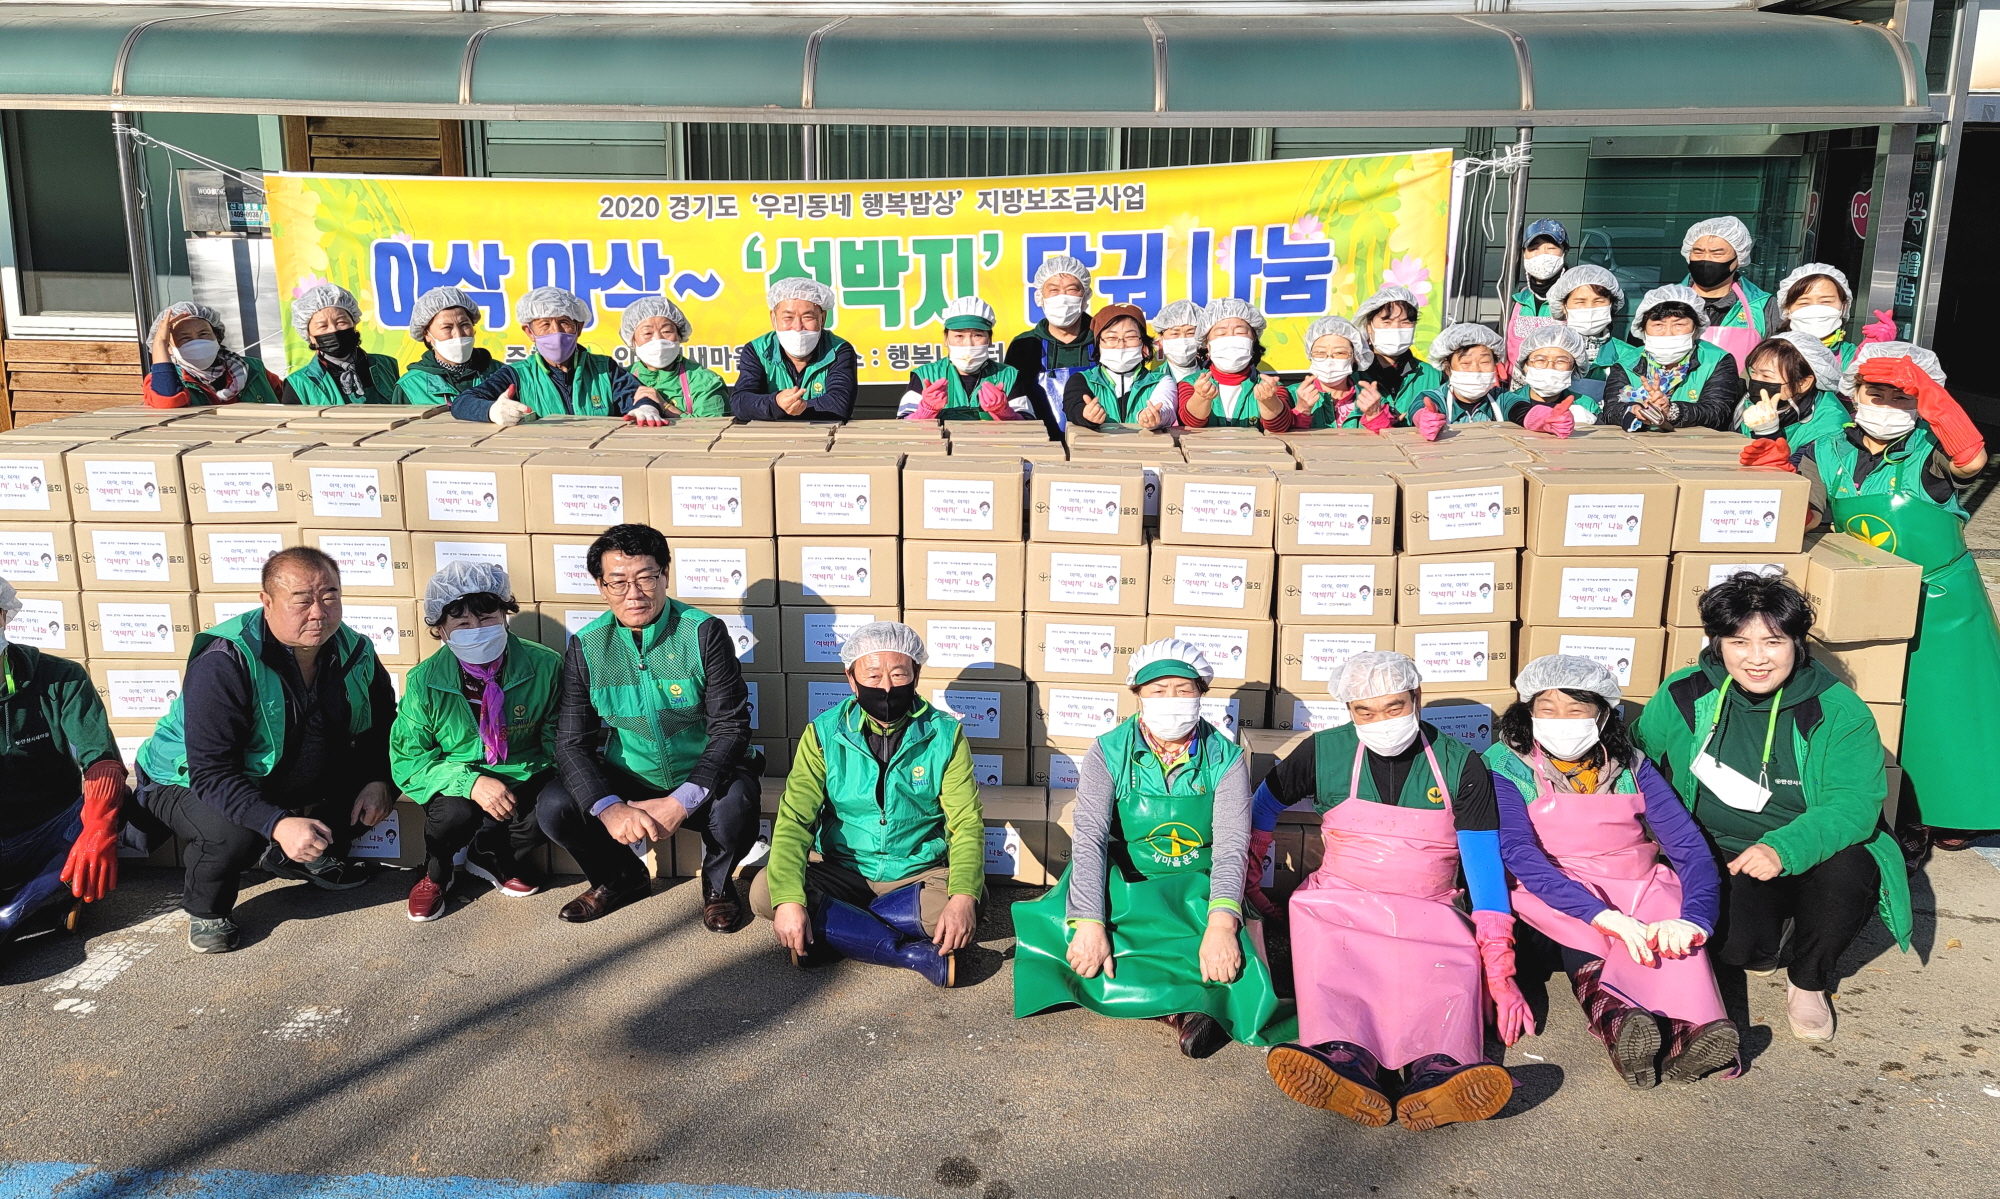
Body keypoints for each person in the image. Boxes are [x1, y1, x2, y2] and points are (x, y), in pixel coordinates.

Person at [1636, 573, 1910, 1042]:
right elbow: (1638, 755)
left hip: (1809, 846)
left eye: (1773, 641)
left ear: (1797, 644)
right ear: (1717, 643)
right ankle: (1766, 938)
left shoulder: (1838, 711)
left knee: (1850, 871)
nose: (1756, 658)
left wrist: (1781, 849)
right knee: (1735, 951)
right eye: (1739, 641)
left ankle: (1809, 980)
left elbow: (1852, 805)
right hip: (1720, 852)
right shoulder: (1684, 692)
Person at [1263, 651, 1526, 1130]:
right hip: (1339, 899)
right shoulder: (1321, 752)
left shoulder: (1460, 764)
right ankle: (1345, 1059)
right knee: (1332, 953)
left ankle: (1439, 1070)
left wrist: (1499, 965)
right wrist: (1250, 885)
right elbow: (1262, 807)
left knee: (1446, 964)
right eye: (1365, 711)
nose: (1381, 721)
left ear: (1417, 698)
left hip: (1430, 905)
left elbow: (1483, 864)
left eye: (1394, 707)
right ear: (1348, 711)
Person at [1013, 640, 1283, 1058]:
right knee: (1086, 945)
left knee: (1231, 954)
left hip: (1197, 882)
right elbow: (1089, 838)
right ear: (1137, 695)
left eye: (1183, 689)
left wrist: (1222, 925)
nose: (1171, 701)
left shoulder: (1226, 760)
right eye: (1158, 691)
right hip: (1128, 878)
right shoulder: (1107, 752)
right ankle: (1189, 1009)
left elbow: (1231, 847)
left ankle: (1186, 1007)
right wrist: (1088, 921)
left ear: (1201, 695)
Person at [1784, 344, 1997, 850]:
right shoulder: (1826, 448)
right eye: (1872, 393)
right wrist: (1778, 483)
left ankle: (1954, 809)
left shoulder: (1930, 448)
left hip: (1943, 599)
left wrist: (1935, 404)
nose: (1883, 405)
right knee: (1873, 703)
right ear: (1853, 394)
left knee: (1948, 707)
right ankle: (1886, 804)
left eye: (1899, 397)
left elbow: (1972, 461)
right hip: (1866, 593)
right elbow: (1811, 510)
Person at [1490, 655, 1736, 1088]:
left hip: (1636, 880)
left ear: (1602, 715)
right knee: (1585, 935)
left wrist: (1695, 917)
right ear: (1527, 712)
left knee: (1669, 929)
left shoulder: (1632, 766)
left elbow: (1689, 848)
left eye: (1576, 710)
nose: (1561, 721)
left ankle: (1691, 1034)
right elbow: (1518, 852)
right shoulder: (1505, 766)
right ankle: (1621, 1026)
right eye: (1547, 709)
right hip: (1551, 887)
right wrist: (1599, 914)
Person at [135, 547, 397, 954]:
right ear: (267, 602)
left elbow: (382, 723)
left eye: (330, 596)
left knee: (389, 772)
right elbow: (211, 774)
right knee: (236, 833)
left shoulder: (355, 650)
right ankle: (208, 908)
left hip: (281, 768)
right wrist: (276, 823)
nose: (319, 612)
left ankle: (296, 858)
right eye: (302, 600)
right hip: (187, 779)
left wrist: (380, 777)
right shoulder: (225, 660)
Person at [541, 523, 759, 927]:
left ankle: (718, 886)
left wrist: (682, 801)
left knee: (739, 801)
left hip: (699, 776)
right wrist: (609, 809)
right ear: (600, 586)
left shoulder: (703, 632)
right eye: (619, 582)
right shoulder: (585, 646)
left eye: (646, 578)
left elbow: (731, 728)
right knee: (555, 805)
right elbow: (571, 742)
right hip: (630, 776)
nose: (634, 594)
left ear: (665, 575)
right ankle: (620, 877)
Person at [751, 622, 983, 985]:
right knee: (768, 892)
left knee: (965, 903)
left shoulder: (945, 734)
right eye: (873, 675)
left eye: (898, 673)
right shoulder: (824, 734)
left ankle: (840, 930)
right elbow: (795, 821)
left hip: (917, 874)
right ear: (851, 678)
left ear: (916, 674)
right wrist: (791, 902)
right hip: (842, 870)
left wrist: (964, 897)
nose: (887, 687)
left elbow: (966, 823)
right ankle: (906, 953)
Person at [389, 562, 561, 922]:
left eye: (486, 619)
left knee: (564, 805)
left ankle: (491, 852)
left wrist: (545, 781)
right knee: (453, 813)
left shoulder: (545, 666)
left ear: (505, 615)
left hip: (524, 772)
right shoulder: (424, 681)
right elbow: (409, 761)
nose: (477, 631)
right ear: (441, 631)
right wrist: (471, 783)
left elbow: (559, 741)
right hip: (456, 780)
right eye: (463, 625)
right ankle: (436, 872)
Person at [0, 578, 135, 946]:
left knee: (112, 806)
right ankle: (44, 900)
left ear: (3, 617)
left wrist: (98, 829)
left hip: (51, 827)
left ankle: (18, 909)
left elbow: (102, 763)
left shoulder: (60, 678)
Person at [451, 287, 658, 424]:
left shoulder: (605, 369)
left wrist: (644, 407)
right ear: (529, 332)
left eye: (564, 323)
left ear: (578, 328)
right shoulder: (517, 375)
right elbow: (463, 403)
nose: (556, 332)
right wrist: (492, 411)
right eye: (545, 325)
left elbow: (635, 396)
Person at [1601, 285, 1741, 431]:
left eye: (1679, 324)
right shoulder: (1626, 363)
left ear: (1696, 328)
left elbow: (1717, 412)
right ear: (1643, 329)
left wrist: (1672, 410)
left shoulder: (1716, 360)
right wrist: (1634, 411)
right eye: (1658, 325)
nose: (1668, 333)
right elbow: (1611, 410)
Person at [730, 277, 857, 423]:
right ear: (773, 318)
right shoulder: (757, 350)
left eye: (807, 317)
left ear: (822, 318)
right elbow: (740, 402)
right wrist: (777, 403)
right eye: (788, 317)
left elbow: (840, 404)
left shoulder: (839, 351)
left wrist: (796, 407)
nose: (798, 327)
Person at [1001, 255, 1095, 437]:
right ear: (1040, 296)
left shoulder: (1103, 339)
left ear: (1085, 296)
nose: (1063, 297)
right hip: (1039, 445)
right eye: (1054, 290)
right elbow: (1014, 400)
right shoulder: (1024, 345)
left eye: (1071, 290)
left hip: (1095, 444)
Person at [899, 296, 1029, 423]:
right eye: (959, 335)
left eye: (977, 335)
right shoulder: (925, 375)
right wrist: (926, 410)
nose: (968, 344)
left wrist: (1004, 412)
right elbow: (902, 426)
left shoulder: (1008, 375)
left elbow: (1029, 426)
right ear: (946, 338)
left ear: (989, 340)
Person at [1177, 298, 1291, 431]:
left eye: (1240, 332)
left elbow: (1280, 427)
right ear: (1207, 344)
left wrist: (1269, 401)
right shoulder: (1190, 384)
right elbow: (1190, 423)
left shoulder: (1271, 388)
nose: (1230, 338)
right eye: (1221, 333)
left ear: (1253, 341)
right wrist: (1201, 397)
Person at [143, 301, 283, 407]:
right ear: (169, 348)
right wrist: (159, 342)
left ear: (217, 336)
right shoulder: (160, 380)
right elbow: (167, 401)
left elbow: (289, 401)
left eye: (203, 334)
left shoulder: (253, 368)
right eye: (185, 338)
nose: (197, 342)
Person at [1063, 303, 1179, 431]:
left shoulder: (1161, 381)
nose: (1121, 345)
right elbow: (1072, 406)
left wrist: (1155, 416)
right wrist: (1085, 415)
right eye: (1111, 337)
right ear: (1098, 344)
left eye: (1130, 337)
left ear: (1143, 343)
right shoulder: (1081, 380)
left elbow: (1165, 405)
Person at [282, 284, 401, 406]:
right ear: (310, 336)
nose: (333, 330)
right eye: (323, 326)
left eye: (341, 322)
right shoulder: (299, 383)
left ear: (354, 324)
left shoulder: (386, 365)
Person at [1732, 331, 1847, 457]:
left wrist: (1768, 435)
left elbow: (1798, 472)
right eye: (1753, 372)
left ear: (1803, 383)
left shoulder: (1830, 428)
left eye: (1766, 376)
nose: (1757, 381)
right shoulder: (1748, 404)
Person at [1680, 216, 1770, 372]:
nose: (1706, 259)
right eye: (1699, 252)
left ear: (1738, 259)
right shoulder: (1663, 301)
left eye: (1717, 254)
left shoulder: (1762, 306)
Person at [396, 286, 504, 407]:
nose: (458, 335)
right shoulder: (411, 385)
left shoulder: (500, 372)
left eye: (464, 325)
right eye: (447, 327)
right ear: (426, 334)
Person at [622, 295, 727, 420]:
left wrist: (665, 406)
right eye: (647, 333)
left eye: (666, 331)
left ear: (679, 335)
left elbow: (714, 427)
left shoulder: (705, 382)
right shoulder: (622, 380)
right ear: (632, 340)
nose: (658, 339)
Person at [1289, 315, 1389, 431]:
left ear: (1355, 357)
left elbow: (1387, 439)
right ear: (1310, 355)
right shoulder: (1291, 396)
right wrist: (1302, 410)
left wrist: (1374, 416)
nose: (1329, 360)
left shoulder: (1373, 398)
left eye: (1340, 353)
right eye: (1320, 352)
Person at [1354, 286, 1443, 416]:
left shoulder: (1434, 375)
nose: (1396, 328)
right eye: (1387, 322)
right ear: (1369, 326)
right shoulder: (1353, 374)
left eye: (1405, 322)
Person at [1502, 325, 1599, 436]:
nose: (1550, 367)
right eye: (1540, 360)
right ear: (1525, 365)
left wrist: (1596, 423)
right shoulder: (1509, 403)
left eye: (1561, 361)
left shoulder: (1585, 405)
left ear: (1574, 368)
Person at [1409, 323, 1506, 432]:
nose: (1476, 370)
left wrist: (1527, 417)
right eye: (1465, 363)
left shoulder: (1502, 398)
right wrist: (1424, 418)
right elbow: (1418, 408)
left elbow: (1520, 410)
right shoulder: (1436, 398)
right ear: (1448, 367)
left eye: (1484, 362)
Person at [1504, 219, 1570, 367]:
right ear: (1523, 254)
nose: (1542, 254)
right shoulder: (1517, 300)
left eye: (1551, 248)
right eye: (1534, 248)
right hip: (1516, 387)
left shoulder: (1574, 299)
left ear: (1564, 251)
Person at [1546, 265, 1628, 380]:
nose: (1589, 308)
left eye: (1599, 301)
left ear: (1611, 305)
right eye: (1580, 302)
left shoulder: (1629, 356)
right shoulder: (1544, 353)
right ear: (1563, 306)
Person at [1771, 263, 1857, 369]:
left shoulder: (1855, 356)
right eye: (1804, 303)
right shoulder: (1770, 353)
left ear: (1844, 307)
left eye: (1826, 301)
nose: (1816, 309)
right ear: (1787, 310)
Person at [1153, 300, 1206, 387]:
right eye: (1175, 334)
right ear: (1161, 338)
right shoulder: (1153, 381)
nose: (1183, 340)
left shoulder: (1212, 375)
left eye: (1190, 333)